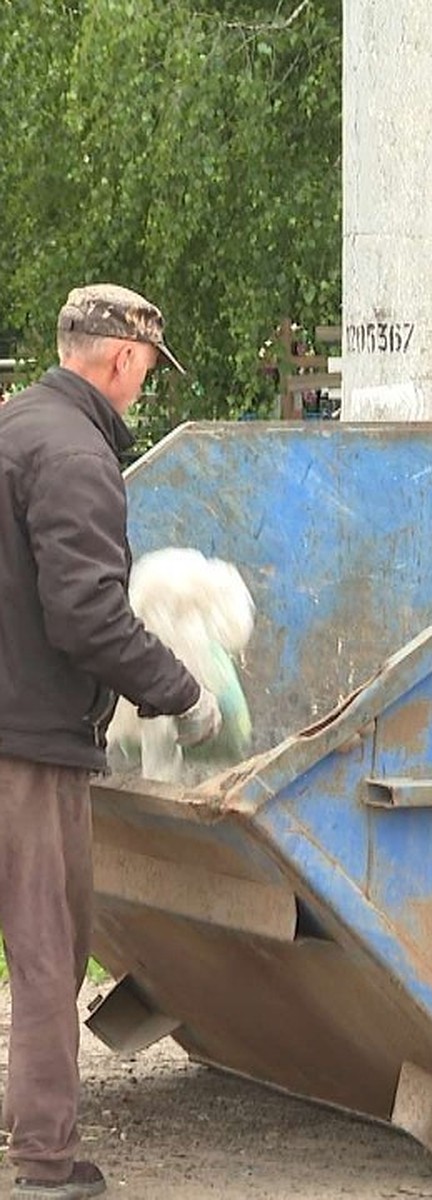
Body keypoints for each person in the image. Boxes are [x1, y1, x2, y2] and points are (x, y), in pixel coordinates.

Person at [0, 285, 222, 1199]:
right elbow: (86, 616)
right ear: (124, 358)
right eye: (145, 372)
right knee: (50, 950)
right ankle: (45, 1160)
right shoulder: (77, 456)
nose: (143, 389)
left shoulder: (14, 427)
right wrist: (183, 694)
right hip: (29, 744)